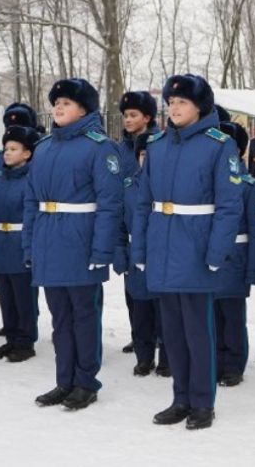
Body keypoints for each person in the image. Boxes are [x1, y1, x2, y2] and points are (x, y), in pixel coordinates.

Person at [132, 73, 243, 430]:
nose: (174, 108)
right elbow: (143, 202)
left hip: (195, 247)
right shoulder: (158, 145)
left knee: (198, 332)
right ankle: (180, 397)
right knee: (173, 332)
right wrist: (141, 248)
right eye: (170, 102)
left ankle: (202, 402)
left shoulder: (218, 145)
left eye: (182, 102)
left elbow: (229, 205)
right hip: (163, 246)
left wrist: (216, 252)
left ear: (199, 106)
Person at [24, 79, 122, 410]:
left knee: (84, 315)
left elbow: (109, 204)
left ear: (84, 109)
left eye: (66, 103)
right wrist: (29, 245)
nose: (58, 108)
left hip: (80, 240)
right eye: (56, 102)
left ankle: (85, 382)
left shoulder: (100, 147)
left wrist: (102, 250)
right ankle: (64, 380)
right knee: (60, 318)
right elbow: (31, 201)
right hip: (48, 239)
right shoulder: (43, 147)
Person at [0, 125, 41, 363]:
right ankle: (11, 338)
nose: (7, 153)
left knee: (24, 297)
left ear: (27, 153)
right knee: (6, 295)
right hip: (1, 242)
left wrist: (31, 247)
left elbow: (33, 216)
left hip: (20, 242)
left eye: (13, 149)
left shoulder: (32, 180)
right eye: (6, 149)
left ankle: (25, 341)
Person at [214, 121, 255, 387]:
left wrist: (254, 269)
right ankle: (215, 361)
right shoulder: (208, 183)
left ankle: (234, 364)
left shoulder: (248, 186)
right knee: (212, 316)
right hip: (210, 260)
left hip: (235, 260)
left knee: (232, 316)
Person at [114, 133, 169, 377]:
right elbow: (118, 224)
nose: (146, 159)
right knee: (140, 312)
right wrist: (119, 253)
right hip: (134, 256)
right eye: (143, 154)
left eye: (151, 155)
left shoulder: (168, 185)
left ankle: (167, 359)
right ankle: (144, 357)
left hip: (162, 254)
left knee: (165, 312)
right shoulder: (127, 187)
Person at [117, 91, 160, 355]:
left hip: (154, 223)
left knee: (155, 288)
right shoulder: (120, 148)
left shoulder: (159, 142)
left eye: (133, 115)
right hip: (129, 216)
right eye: (125, 115)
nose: (128, 120)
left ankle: (159, 336)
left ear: (147, 117)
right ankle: (139, 334)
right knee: (132, 289)